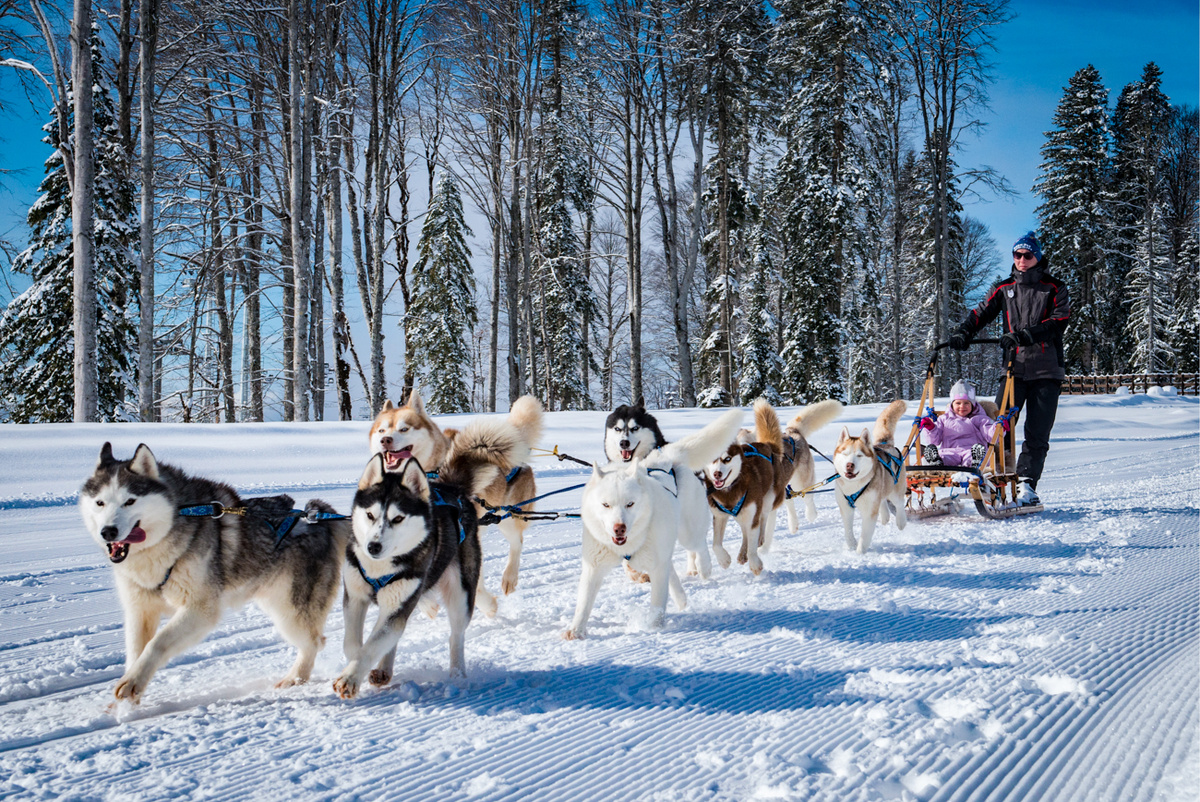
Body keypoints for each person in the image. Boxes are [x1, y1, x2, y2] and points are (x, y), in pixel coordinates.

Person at [947, 231, 1070, 507]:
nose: (1022, 260)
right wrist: (963, 332)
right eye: (1017, 255)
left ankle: (1027, 483)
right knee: (998, 427)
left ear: (1037, 257)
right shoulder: (1004, 288)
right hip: (1014, 370)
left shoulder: (1054, 288)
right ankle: (996, 476)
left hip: (1047, 371)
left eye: (1027, 255)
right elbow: (981, 313)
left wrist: (1026, 335)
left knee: (1037, 432)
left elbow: (1059, 321)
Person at [919, 380, 1009, 468]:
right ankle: (937, 462)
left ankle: (976, 463)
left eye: (966, 403)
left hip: (972, 450)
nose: (962, 406)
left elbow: (991, 436)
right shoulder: (944, 419)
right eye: (958, 403)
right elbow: (934, 441)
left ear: (973, 405)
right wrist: (931, 429)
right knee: (945, 457)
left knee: (972, 456)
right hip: (950, 451)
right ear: (952, 405)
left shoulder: (980, 419)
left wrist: (997, 428)